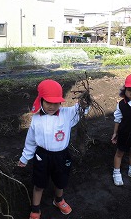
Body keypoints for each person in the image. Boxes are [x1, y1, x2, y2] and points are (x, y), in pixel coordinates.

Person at [18, 79, 89, 219]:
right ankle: (35, 208)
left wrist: (85, 102)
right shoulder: (37, 119)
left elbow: (81, 109)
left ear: (60, 102)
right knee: (39, 183)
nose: (52, 106)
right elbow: (31, 141)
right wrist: (25, 157)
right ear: (41, 100)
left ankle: (58, 200)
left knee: (60, 180)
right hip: (42, 156)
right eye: (48, 102)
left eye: (56, 103)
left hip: (61, 156)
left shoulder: (67, 114)